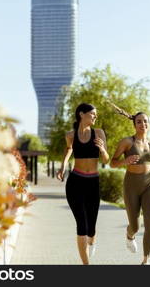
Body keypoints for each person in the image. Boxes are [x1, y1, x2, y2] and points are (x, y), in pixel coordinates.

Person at [109, 104, 150, 265]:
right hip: (131, 184)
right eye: (139, 121)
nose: (143, 124)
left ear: (149, 124)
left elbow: (146, 161)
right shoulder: (126, 142)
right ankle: (129, 235)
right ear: (134, 124)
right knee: (135, 225)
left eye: (145, 121)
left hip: (149, 183)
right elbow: (112, 163)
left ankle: (146, 260)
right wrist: (125, 161)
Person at [57, 103, 109, 265]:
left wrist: (102, 149)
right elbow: (69, 149)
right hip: (75, 182)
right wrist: (63, 166)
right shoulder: (70, 135)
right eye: (92, 114)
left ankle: (92, 241)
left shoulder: (99, 133)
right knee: (82, 225)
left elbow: (106, 160)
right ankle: (86, 265)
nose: (95, 116)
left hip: (93, 183)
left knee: (91, 228)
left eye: (95, 114)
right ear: (81, 114)